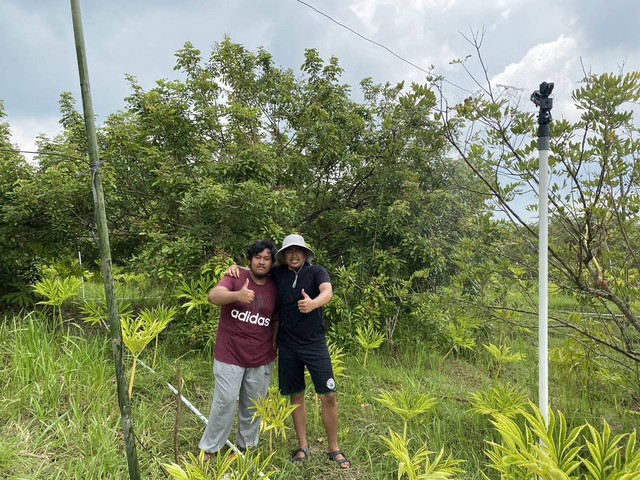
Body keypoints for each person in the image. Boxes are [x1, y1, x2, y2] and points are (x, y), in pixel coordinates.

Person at [229, 234, 351, 469]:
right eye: (289, 251)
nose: (294, 255)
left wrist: (314, 303)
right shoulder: (278, 273)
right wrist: (236, 267)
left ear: (305, 254)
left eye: (299, 251)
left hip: (315, 344)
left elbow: (328, 291)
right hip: (287, 345)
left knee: (329, 395)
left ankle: (333, 447)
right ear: (283, 256)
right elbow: (256, 269)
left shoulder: (317, 272)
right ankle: (302, 446)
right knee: (296, 396)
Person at [199, 239, 278, 460]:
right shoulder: (235, 276)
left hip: (261, 357)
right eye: (258, 257)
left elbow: (277, 319)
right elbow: (213, 296)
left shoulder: (275, 285)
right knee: (225, 402)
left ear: (272, 263)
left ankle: (246, 447)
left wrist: (274, 344)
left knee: (253, 406)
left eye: (267, 259)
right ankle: (210, 448)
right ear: (250, 259)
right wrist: (237, 296)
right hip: (229, 354)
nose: (262, 262)